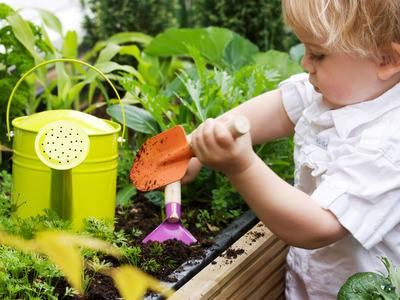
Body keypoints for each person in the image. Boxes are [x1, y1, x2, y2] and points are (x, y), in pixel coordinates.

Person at [182, 0, 400, 298]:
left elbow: (317, 226)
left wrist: (241, 166)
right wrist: (194, 145)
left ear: (386, 60)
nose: (305, 63)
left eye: (318, 54)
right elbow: (275, 110)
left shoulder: (388, 143)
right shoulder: (336, 90)